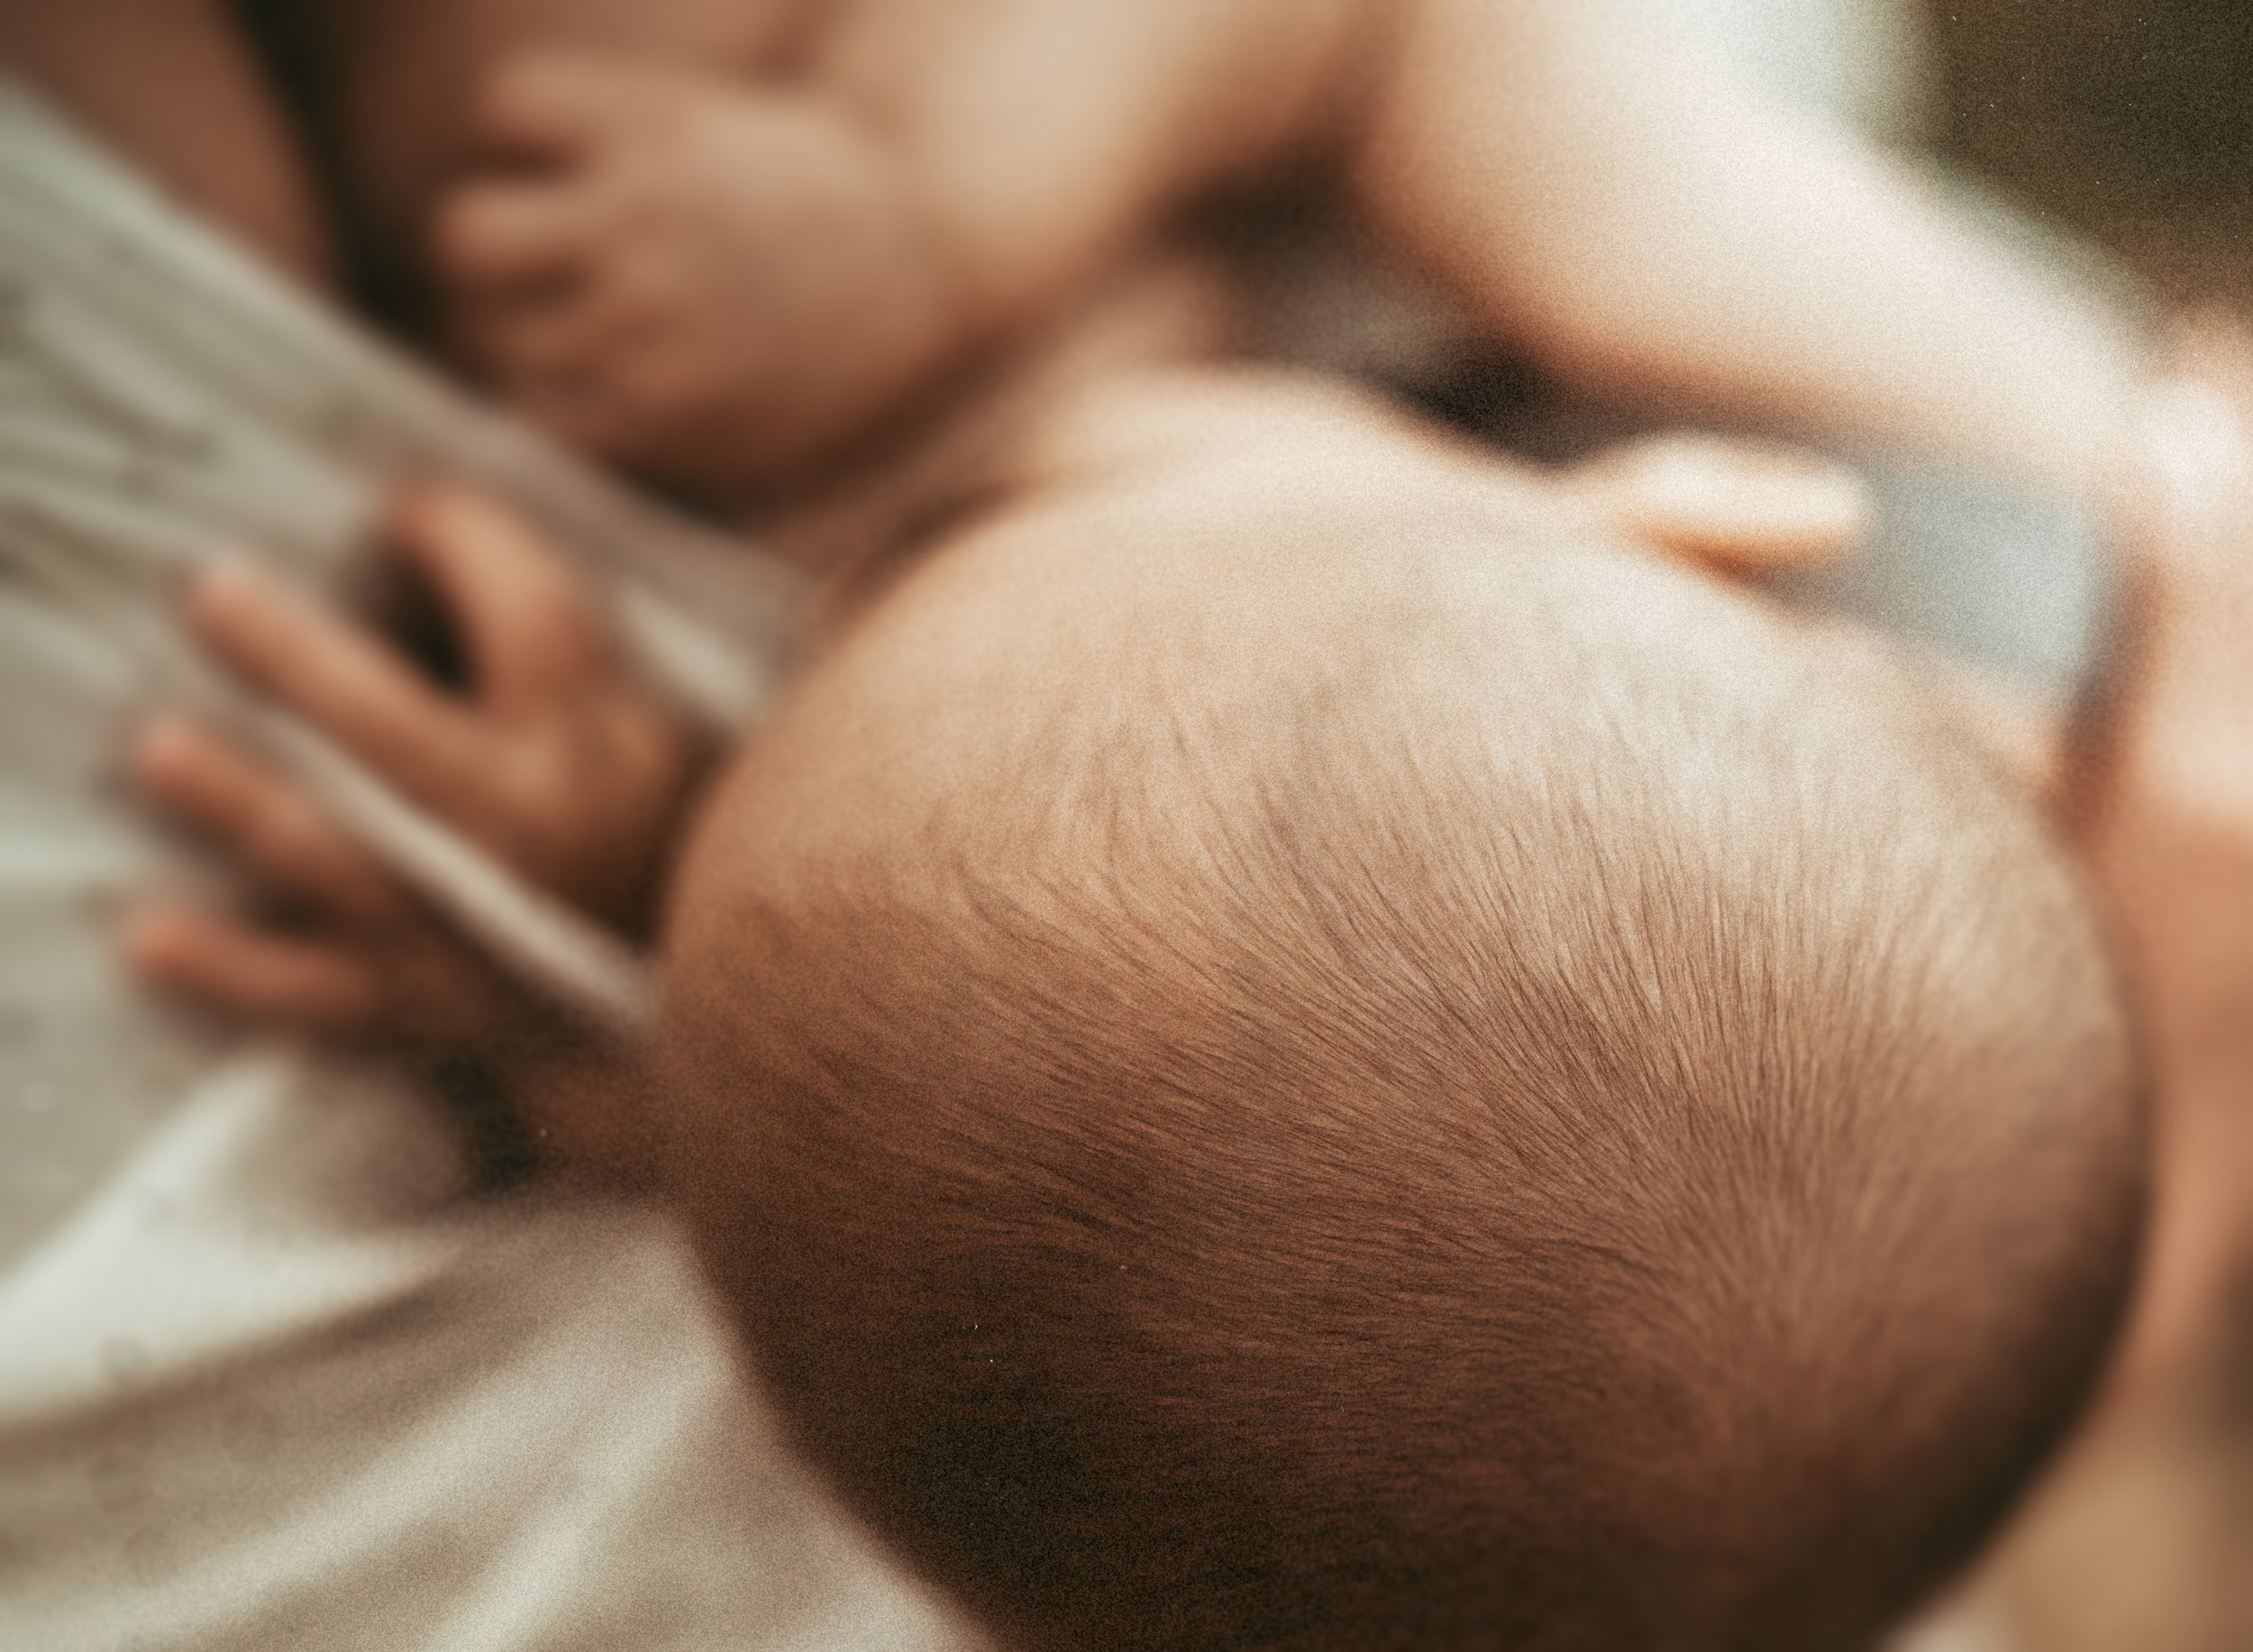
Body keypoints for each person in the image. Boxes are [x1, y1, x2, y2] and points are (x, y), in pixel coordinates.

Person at [128, 353, 2152, 1648]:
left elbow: (762, 1118)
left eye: (937, 546)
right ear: (1700, 530)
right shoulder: (1919, 507)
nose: (990, 474)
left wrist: (605, 894)